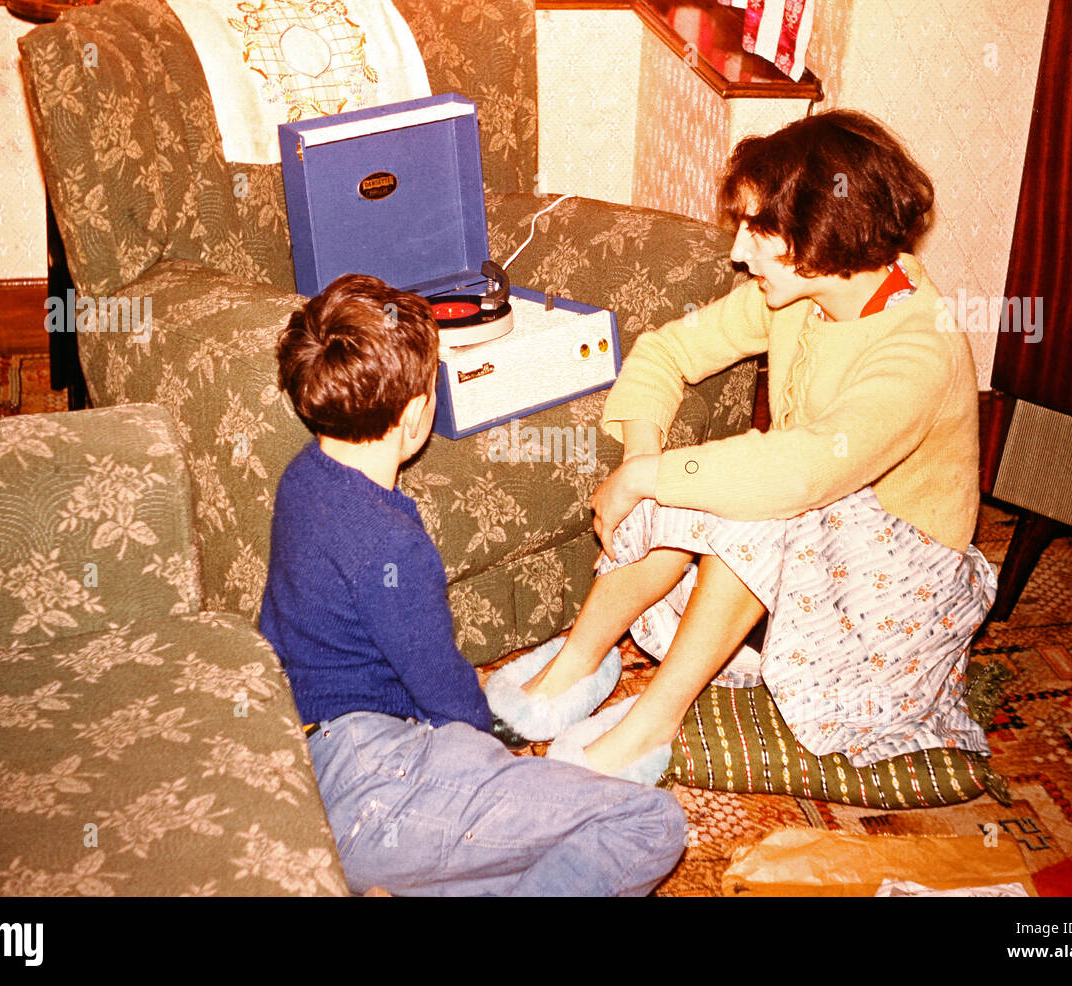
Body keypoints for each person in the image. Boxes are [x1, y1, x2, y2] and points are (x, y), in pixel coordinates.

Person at [486, 110, 999, 785]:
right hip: (820, 543)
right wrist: (642, 462)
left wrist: (648, 477)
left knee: (753, 499)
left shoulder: (919, 347)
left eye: (760, 229)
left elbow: (799, 475)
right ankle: (581, 660)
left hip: (896, 612)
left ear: (824, 229)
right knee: (702, 475)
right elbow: (666, 351)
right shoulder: (802, 294)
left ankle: (651, 727)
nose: (738, 251)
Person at [258, 273, 686, 896]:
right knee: (649, 822)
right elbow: (443, 688)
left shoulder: (302, 477)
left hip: (308, 762)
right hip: (376, 781)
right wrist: (490, 755)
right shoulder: (390, 540)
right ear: (413, 416)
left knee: (522, 847)